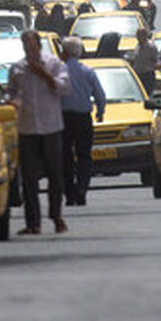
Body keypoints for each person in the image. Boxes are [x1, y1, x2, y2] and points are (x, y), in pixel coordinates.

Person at [6, 31, 72, 235]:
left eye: (33, 47)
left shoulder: (53, 64)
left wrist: (43, 74)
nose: (31, 51)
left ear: (40, 46)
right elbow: (10, 90)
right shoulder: (18, 68)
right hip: (27, 128)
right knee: (29, 178)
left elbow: (65, 88)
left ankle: (56, 216)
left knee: (55, 175)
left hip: (50, 126)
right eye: (27, 47)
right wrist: (11, 100)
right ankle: (33, 222)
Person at [59, 37, 105, 207]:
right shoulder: (88, 72)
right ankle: (82, 189)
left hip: (64, 119)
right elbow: (100, 95)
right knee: (84, 155)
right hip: (83, 118)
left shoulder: (59, 71)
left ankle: (70, 192)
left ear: (65, 52)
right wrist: (100, 112)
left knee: (66, 157)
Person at [132, 28, 160, 93]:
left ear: (145, 35)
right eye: (137, 35)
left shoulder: (151, 47)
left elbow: (157, 59)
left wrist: (157, 65)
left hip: (148, 75)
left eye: (140, 35)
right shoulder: (137, 47)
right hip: (138, 74)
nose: (138, 37)